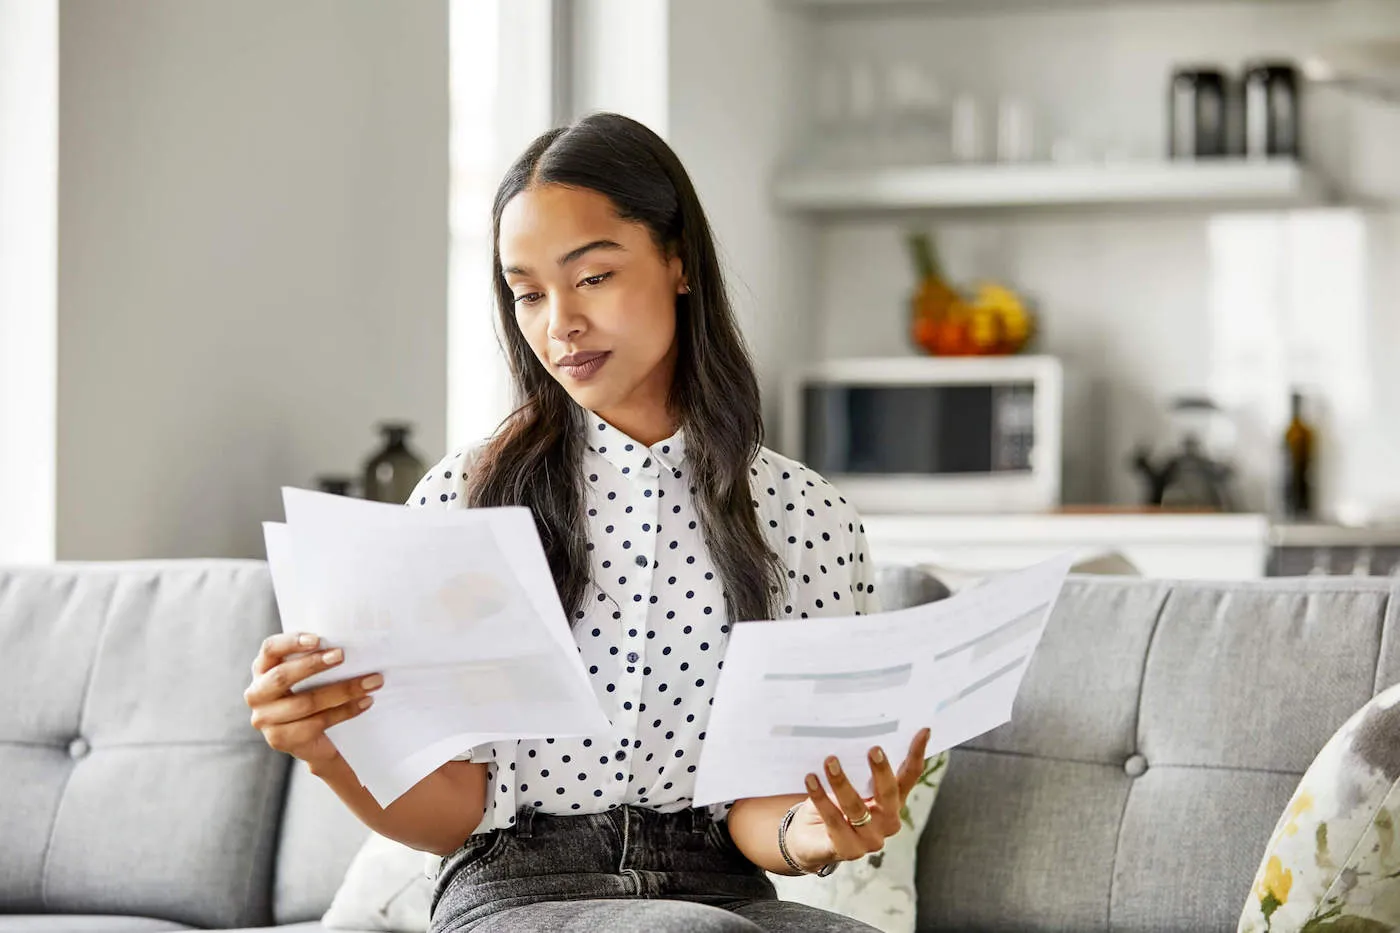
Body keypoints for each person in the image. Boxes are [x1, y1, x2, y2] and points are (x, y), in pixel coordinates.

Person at [244, 112, 931, 933]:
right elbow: (455, 809)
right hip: (517, 886)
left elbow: (757, 808)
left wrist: (811, 830)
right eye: (527, 292)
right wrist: (325, 750)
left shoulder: (807, 515)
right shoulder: (466, 496)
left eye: (593, 277)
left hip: (722, 889)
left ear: (678, 263)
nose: (558, 323)